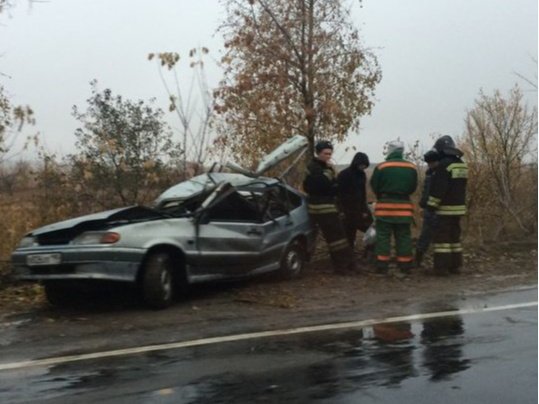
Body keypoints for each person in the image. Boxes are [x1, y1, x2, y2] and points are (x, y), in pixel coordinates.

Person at [303, 140, 357, 274]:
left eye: (330, 153)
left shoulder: (324, 167)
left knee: (339, 237)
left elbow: (331, 186)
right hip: (321, 207)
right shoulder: (314, 167)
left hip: (329, 205)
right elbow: (320, 185)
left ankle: (347, 264)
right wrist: (332, 180)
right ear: (318, 153)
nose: (328, 156)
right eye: (325, 153)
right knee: (336, 239)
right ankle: (342, 267)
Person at [370, 140, 418, 275]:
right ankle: (405, 265)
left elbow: (375, 185)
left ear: (390, 150)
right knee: (403, 236)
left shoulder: (381, 167)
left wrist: (382, 195)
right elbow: (413, 187)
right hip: (404, 208)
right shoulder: (412, 167)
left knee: (383, 236)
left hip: (384, 207)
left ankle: (382, 265)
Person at [426, 135, 468, 276]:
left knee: (442, 241)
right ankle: (455, 266)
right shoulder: (461, 164)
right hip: (459, 208)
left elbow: (439, 189)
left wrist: (431, 206)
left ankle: (441, 268)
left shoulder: (444, 165)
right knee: (455, 239)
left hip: (445, 209)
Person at [337, 152, 373, 250]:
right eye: (361, 165)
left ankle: (370, 249)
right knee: (349, 233)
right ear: (356, 163)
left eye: (365, 165)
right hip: (347, 209)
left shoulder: (362, 175)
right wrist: (341, 210)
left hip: (359, 207)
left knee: (370, 227)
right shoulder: (344, 174)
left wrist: (365, 209)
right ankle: (349, 252)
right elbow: (338, 193)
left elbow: (363, 192)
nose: (363, 167)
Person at [415, 149, 441, 267]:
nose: (429, 165)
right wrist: (423, 204)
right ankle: (419, 259)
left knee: (430, 237)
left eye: (431, 162)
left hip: (434, 210)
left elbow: (429, 192)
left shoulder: (435, 174)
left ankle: (421, 260)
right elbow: (426, 191)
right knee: (427, 236)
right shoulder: (431, 173)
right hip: (431, 209)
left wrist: (424, 204)